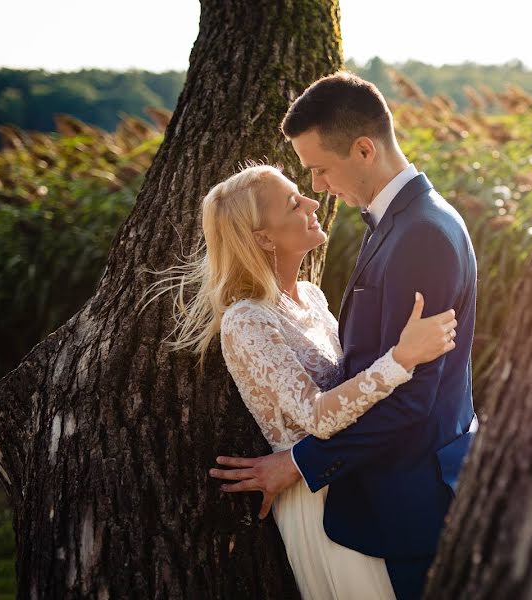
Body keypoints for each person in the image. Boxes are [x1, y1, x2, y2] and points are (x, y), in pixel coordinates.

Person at [211, 72, 478, 600]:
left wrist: (299, 463)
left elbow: (412, 403)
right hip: (377, 500)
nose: (315, 188)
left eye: (319, 169)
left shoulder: (419, 233)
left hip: (407, 499)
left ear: (363, 149)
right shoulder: (399, 224)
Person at [146, 161, 459, 600]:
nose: (313, 201)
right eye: (294, 202)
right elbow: (317, 415)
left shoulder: (311, 296)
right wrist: (402, 358)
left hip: (361, 483)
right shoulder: (246, 320)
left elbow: (347, 382)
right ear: (264, 239)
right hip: (321, 502)